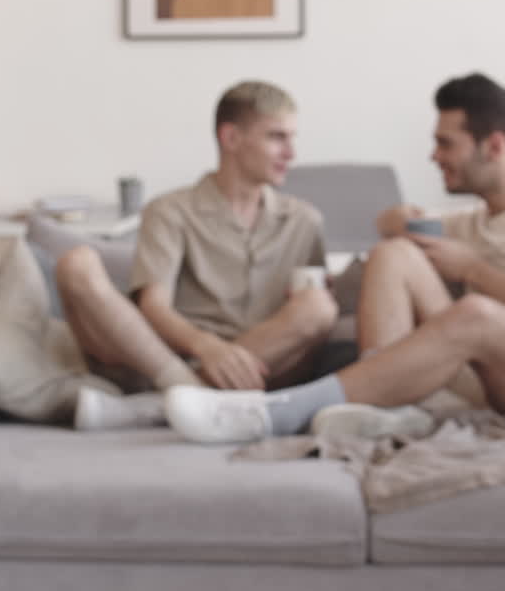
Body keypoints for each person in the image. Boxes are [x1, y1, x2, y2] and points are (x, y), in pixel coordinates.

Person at [165, 72, 505, 443]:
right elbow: (390, 224)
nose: (433, 156)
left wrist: (471, 269)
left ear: (494, 146)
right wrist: (401, 223)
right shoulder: (470, 221)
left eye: (446, 143)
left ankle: (276, 412)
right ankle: (380, 410)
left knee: (475, 314)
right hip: (495, 380)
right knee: (394, 256)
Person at [58, 80, 340, 430]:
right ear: (231, 138)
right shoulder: (170, 211)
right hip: (174, 360)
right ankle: (188, 389)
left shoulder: (304, 220)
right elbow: (154, 307)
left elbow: (311, 326)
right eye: (276, 137)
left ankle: (164, 407)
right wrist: (207, 347)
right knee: (76, 263)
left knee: (320, 307)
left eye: (292, 138)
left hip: (264, 366)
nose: (291, 154)